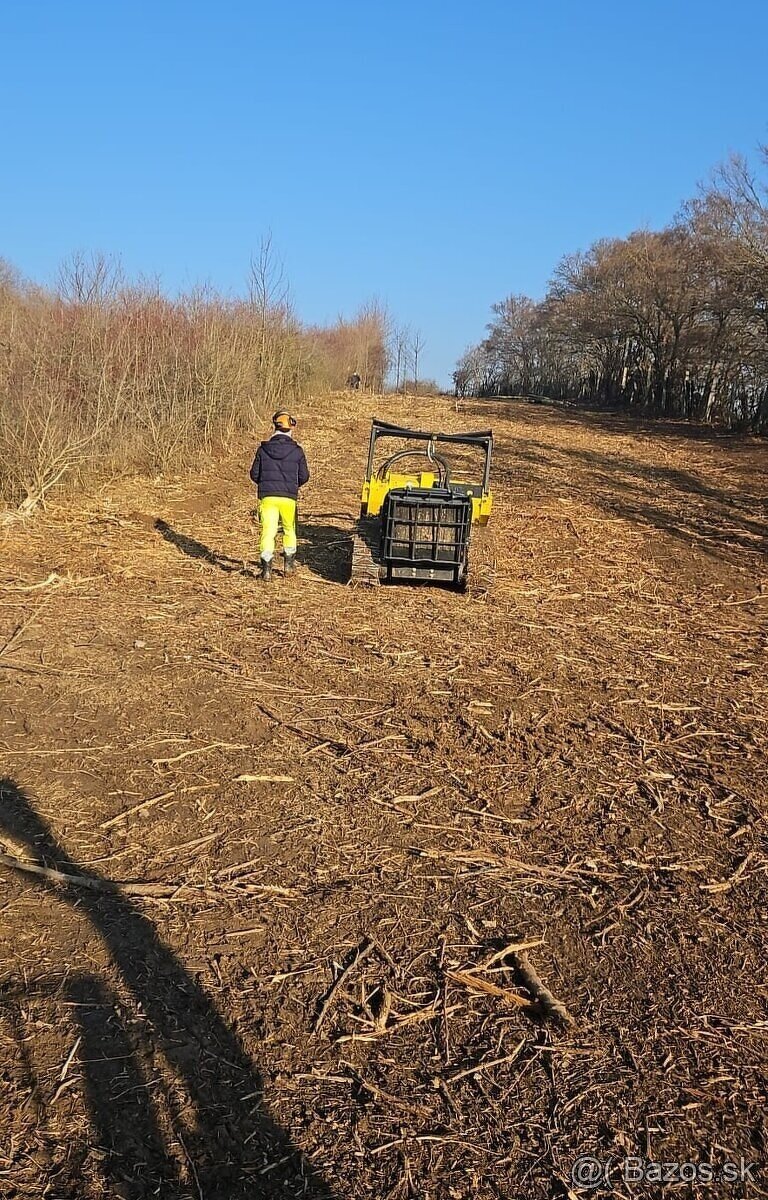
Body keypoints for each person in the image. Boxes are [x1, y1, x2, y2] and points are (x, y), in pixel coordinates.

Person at [249, 410, 310, 582]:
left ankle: (266, 571)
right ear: (290, 428)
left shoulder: (263, 449)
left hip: (268, 497)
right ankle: (288, 566)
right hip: (288, 498)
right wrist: (292, 485)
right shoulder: (297, 451)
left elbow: (254, 474)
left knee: (268, 532)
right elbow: (304, 476)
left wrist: (265, 485)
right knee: (289, 530)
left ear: (274, 427)